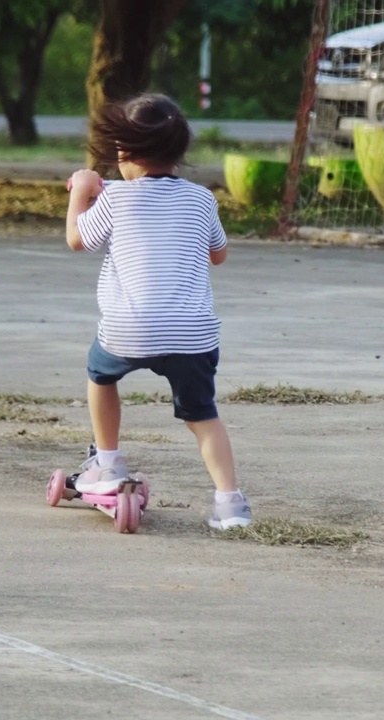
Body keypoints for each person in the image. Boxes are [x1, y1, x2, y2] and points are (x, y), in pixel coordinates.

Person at [64, 93, 252, 530]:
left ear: (124, 151)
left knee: (101, 374)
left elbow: (77, 239)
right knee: (203, 416)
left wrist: (82, 191)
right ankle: (231, 504)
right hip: (192, 334)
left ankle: (107, 461)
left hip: (128, 330)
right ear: (179, 152)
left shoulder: (115, 199)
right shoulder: (202, 200)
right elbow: (218, 254)